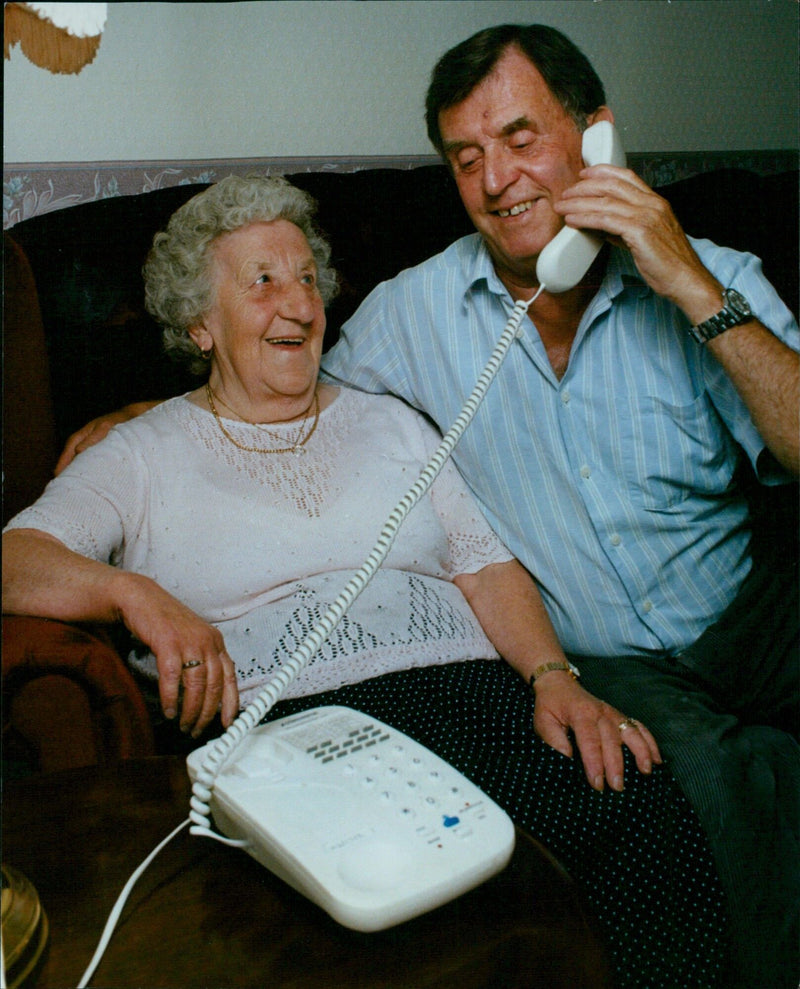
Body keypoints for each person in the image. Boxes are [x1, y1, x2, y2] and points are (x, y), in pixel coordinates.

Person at [48, 24, 797, 988]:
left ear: (595, 137)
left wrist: (686, 279)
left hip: (750, 602)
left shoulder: (713, 274)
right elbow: (279, 386)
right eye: (466, 158)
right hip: (614, 661)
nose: (496, 180)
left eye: (522, 139)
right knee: (685, 794)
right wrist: (153, 418)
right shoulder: (412, 313)